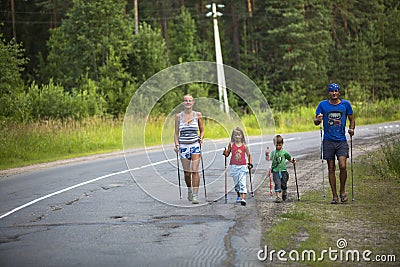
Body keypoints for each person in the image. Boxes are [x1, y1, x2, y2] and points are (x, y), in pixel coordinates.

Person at [313, 83, 355, 204]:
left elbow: (352, 119)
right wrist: (318, 119)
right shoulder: (322, 105)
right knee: (331, 168)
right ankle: (335, 196)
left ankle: (342, 191)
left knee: (343, 166)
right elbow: (316, 121)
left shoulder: (345, 104)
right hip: (328, 141)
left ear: (339, 93)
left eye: (336, 91)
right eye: (332, 91)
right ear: (329, 93)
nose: (334, 93)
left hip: (341, 140)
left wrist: (352, 129)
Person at [174, 94, 205, 204]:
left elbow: (202, 130)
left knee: (194, 170)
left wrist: (201, 139)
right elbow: (176, 133)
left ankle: (196, 195)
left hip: (195, 145)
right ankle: (190, 190)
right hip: (183, 146)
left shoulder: (198, 115)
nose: (188, 102)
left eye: (190, 101)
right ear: (183, 103)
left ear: (193, 103)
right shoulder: (178, 116)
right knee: (187, 173)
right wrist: (177, 145)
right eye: (186, 101)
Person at [223, 127, 253, 206]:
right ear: (233, 136)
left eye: (239, 135)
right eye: (235, 135)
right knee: (236, 184)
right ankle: (238, 195)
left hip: (243, 166)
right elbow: (227, 154)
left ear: (242, 136)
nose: (237, 136)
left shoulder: (244, 146)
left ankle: (243, 198)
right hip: (234, 166)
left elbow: (249, 155)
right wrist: (225, 153)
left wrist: (250, 163)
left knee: (242, 182)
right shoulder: (231, 144)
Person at [269, 135, 295, 203]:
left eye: (279, 145)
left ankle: (284, 191)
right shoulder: (273, 153)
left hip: (283, 171)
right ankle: (278, 197)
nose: (278, 147)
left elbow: (289, 158)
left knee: (283, 184)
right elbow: (269, 158)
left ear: (282, 144)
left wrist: (293, 161)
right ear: (274, 144)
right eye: (277, 145)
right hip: (275, 171)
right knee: (277, 183)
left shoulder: (284, 152)